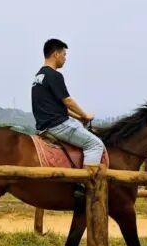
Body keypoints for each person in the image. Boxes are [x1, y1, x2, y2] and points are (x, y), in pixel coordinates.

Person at [31, 38, 104, 200]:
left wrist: (78, 118)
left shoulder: (39, 77)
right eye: (64, 54)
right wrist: (85, 115)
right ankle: (86, 186)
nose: (65, 58)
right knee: (95, 144)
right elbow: (67, 101)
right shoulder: (55, 75)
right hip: (58, 126)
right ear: (56, 54)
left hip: (44, 126)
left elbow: (58, 106)